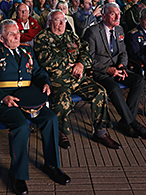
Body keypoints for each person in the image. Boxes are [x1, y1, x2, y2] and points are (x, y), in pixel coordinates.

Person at [0, 19, 70, 195]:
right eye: (11, 34)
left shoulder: (27, 50)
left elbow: (38, 72)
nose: (17, 37)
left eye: (18, 33)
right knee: (21, 126)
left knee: (51, 119)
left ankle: (52, 165)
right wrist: (3, 97)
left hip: (29, 99)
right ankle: (18, 175)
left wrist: (45, 83)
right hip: (6, 102)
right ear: (1, 38)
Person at [34, 10, 121, 149]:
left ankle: (101, 132)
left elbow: (86, 52)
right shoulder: (42, 38)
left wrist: (80, 64)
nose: (62, 24)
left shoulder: (71, 36)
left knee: (100, 92)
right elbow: (48, 62)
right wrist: (73, 66)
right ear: (49, 22)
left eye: (63, 20)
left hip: (78, 78)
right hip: (58, 81)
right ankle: (60, 132)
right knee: (63, 102)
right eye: (57, 20)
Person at [84, 3, 146, 140]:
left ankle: (124, 122)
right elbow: (88, 59)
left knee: (139, 81)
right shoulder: (93, 32)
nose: (118, 16)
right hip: (100, 72)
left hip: (118, 69)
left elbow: (123, 52)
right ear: (103, 16)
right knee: (114, 88)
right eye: (112, 14)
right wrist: (108, 69)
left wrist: (122, 66)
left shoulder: (119, 30)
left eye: (119, 13)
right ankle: (133, 123)